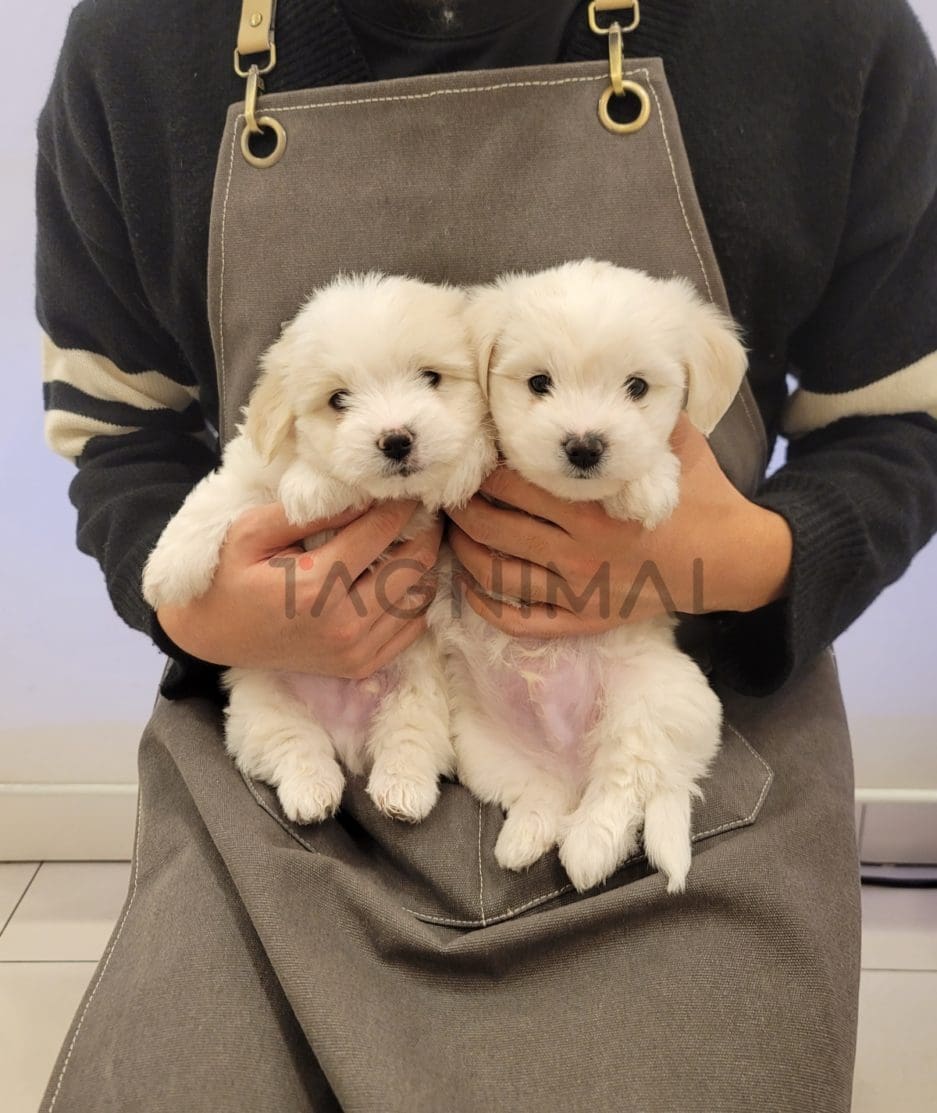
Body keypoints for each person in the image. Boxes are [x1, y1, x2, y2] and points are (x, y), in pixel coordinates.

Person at [36, 2, 937, 1111]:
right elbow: (117, 425)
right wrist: (196, 608)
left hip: (682, 737)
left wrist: (749, 559)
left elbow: (904, 422)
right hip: (293, 767)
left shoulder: (819, 33)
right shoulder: (141, 44)